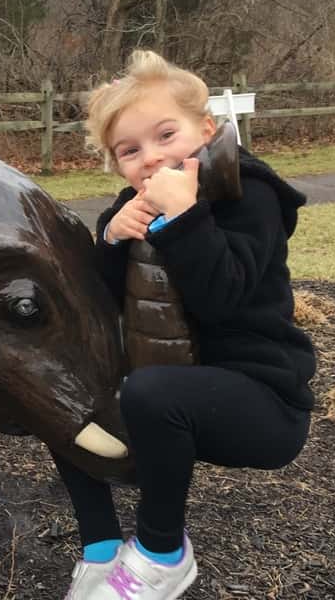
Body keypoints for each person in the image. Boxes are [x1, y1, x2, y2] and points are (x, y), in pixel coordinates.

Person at [56, 50, 316, 600]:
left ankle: (161, 554)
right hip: (172, 397)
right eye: (130, 151)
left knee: (153, 391)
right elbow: (103, 302)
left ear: (206, 129)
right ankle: (103, 552)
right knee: (60, 398)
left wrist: (185, 218)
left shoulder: (251, 197)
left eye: (166, 135)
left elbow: (222, 297)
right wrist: (111, 239)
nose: (151, 159)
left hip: (262, 402)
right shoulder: (133, 207)